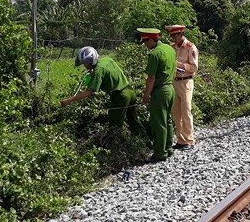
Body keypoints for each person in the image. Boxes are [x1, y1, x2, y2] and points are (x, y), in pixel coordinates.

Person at [61, 46, 147, 139]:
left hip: (121, 97)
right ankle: (148, 143)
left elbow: (89, 92)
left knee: (114, 127)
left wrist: (69, 100)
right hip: (130, 91)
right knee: (134, 120)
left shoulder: (98, 71)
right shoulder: (107, 59)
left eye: (85, 64)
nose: (85, 66)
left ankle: (115, 149)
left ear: (91, 61)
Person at [138, 28, 177, 163]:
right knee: (168, 120)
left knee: (158, 123)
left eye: (145, 42)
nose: (144, 45)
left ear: (150, 40)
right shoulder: (169, 49)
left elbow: (151, 78)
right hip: (170, 89)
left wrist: (146, 95)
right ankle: (168, 148)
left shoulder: (155, 54)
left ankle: (160, 153)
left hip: (160, 91)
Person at [165, 24, 198, 150]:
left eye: (175, 35)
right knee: (176, 111)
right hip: (174, 81)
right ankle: (180, 139)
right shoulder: (171, 47)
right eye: (171, 35)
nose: (173, 38)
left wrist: (180, 65)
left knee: (186, 109)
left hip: (186, 81)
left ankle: (189, 139)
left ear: (181, 34)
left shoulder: (191, 47)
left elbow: (194, 67)